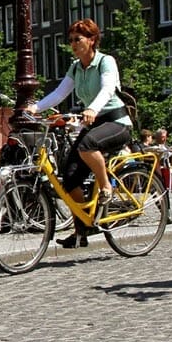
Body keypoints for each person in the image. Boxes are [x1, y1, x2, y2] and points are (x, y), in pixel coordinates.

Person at [21, 18, 132, 249]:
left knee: (87, 145)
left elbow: (107, 88)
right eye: (71, 40)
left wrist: (93, 108)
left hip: (116, 122)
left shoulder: (105, 62)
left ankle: (106, 187)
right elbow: (60, 93)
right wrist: (35, 107)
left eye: (78, 39)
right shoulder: (75, 66)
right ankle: (83, 227)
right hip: (93, 123)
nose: (73, 43)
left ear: (91, 40)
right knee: (69, 176)